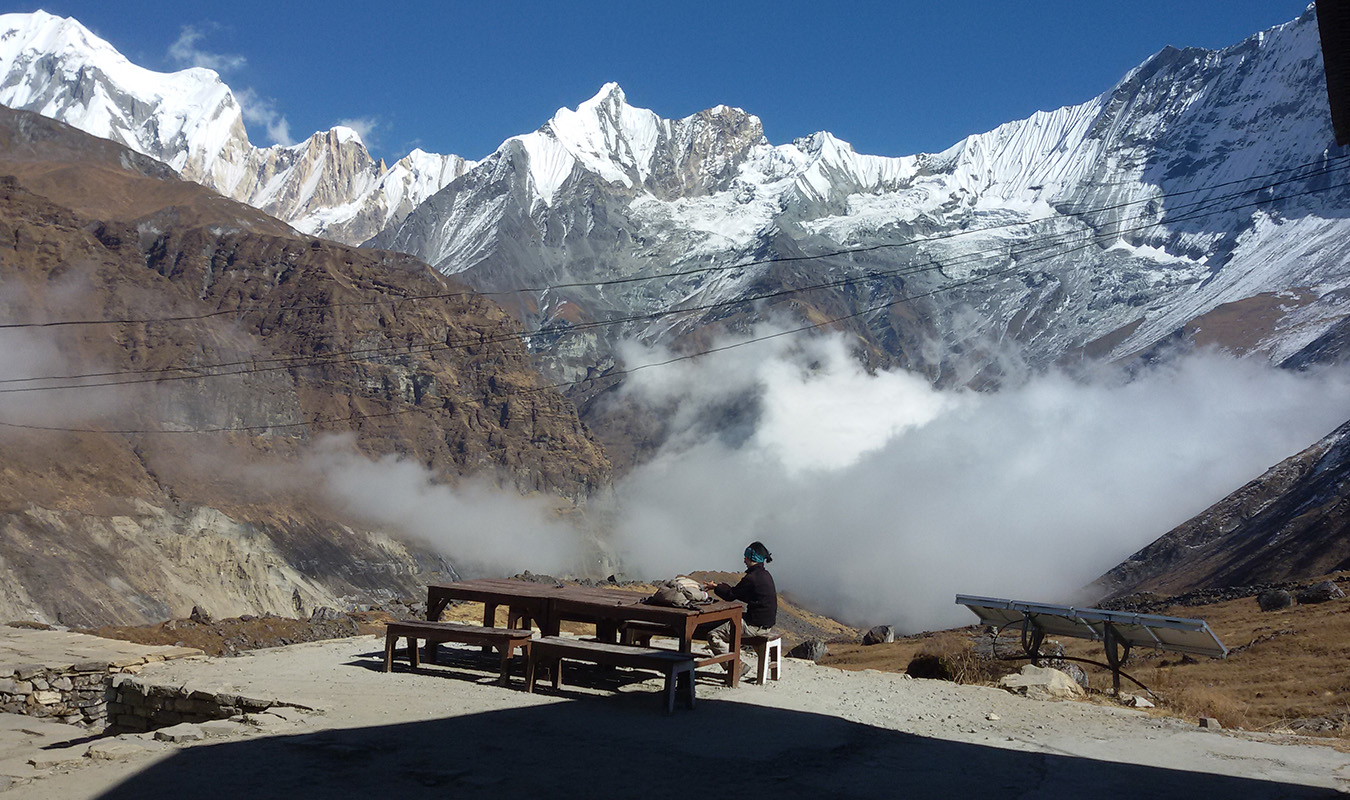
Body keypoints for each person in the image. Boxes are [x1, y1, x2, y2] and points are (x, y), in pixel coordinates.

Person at [701, 541, 776, 675]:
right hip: (766, 624)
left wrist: (716, 588)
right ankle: (738, 664)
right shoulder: (765, 575)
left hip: (754, 626)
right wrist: (718, 587)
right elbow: (743, 595)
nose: (744, 560)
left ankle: (736, 666)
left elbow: (731, 595)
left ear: (750, 557)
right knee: (728, 624)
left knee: (714, 635)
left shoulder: (751, 578)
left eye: (745, 557)